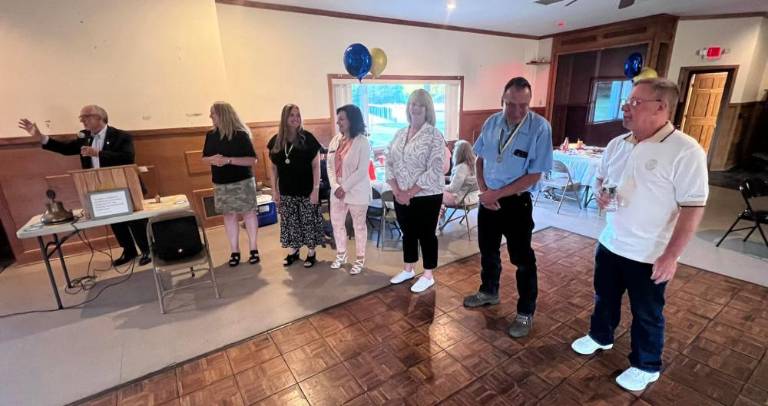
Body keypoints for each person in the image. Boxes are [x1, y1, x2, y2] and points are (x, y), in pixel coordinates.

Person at [570, 78, 708, 392]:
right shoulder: (619, 144)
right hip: (611, 241)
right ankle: (600, 336)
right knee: (604, 297)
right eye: (628, 101)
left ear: (661, 107)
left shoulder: (686, 151)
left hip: (650, 253)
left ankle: (646, 365)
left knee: (647, 312)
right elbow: (603, 179)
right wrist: (601, 195)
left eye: (635, 102)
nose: (625, 107)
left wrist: (671, 256)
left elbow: (693, 207)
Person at [462, 77, 553, 339]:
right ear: (502, 100)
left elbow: (534, 175)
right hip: (488, 200)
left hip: (516, 203)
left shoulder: (540, 128)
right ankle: (489, 291)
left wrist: (496, 194)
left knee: (522, 260)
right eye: (511, 104)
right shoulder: (491, 123)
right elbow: (479, 160)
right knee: (488, 251)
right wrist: (483, 191)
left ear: (529, 102)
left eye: (523, 105)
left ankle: (525, 312)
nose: (517, 111)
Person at [18, 105, 152, 267]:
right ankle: (129, 251)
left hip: (125, 185)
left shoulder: (121, 136)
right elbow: (65, 148)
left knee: (135, 220)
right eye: (81, 118)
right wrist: (40, 136)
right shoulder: (85, 138)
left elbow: (127, 157)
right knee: (115, 221)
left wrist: (98, 153)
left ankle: (147, 250)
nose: (82, 120)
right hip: (100, 188)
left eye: (86, 116)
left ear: (100, 117)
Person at [386, 89, 445, 293]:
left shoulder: (435, 135)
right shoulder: (400, 133)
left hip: (427, 194)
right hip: (400, 193)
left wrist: (409, 192)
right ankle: (408, 268)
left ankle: (428, 274)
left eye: (420, 104)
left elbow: (435, 168)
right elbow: (389, 161)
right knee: (408, 232)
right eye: (412, 103)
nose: (415, 108)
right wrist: (396, 189)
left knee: (426, 234)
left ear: (428, 108)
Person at [202, 102, 260, 267]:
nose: (210, 116)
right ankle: (234, 251)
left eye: (213, 113)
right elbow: (204, 157)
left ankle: (253, 249)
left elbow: (252, 160)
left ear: (223, 114)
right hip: (221, 182)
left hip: (242, 181)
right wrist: (213, 160)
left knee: (248, 214)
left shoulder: (241, 135)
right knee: (229, 216)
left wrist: (228, 160)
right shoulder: (210, 135)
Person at [267, 104, 325, 268]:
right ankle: (294, 252)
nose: (295, 118)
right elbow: (273, 168)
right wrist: (274, 190)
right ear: (284, 118)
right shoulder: (275, 141)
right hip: (286, 190)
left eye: (298, 115)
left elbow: (316, 166)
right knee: (291, 223)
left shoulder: (308, 138)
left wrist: (315, 190)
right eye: (292, 115)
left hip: (306, 190)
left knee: (308, 222)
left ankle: (311, 253)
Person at [327, 104, 372, 275]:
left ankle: (360, 259)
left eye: (342, 119)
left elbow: (362, 171)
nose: (338, 122)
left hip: (356, 190)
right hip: (337, 189)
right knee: (337, 223)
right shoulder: (335, 140)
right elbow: (330, 167)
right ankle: (341, 254)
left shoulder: (362, 142)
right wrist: (335, 186)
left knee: (358, 226)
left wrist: (344, 187)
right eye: (338, 119)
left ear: (352, 120)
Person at [442, 139, 479, 210]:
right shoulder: (474, 164)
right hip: (474, 197)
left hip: (461, 199)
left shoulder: (462, 167)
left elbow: (452, 188)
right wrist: (444, 177)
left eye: (454, 150)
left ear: (459, 152)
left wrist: (438, 186)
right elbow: (459, 180)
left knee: (431, 192)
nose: (452, 151)